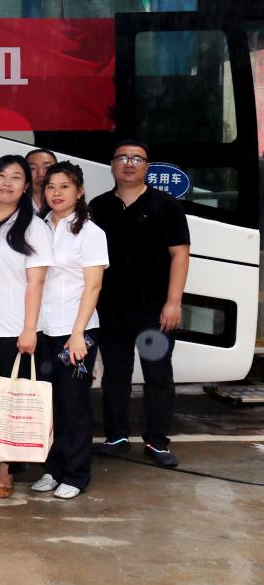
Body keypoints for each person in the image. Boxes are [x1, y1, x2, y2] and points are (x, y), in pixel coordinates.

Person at [88, 140, 189, 468]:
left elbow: (180, 255)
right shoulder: (98, 207)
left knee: (157, 374)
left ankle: (157, 441)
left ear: (147, 166)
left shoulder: (166, 205)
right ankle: (116, 437)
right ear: (112, 164)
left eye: (137, 159)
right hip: (111, 308)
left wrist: (173, 302)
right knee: (115, 374)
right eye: (122, 158)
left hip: (154, 310)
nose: (129, 163)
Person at [0, 156, 52, 498]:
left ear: (26, 186)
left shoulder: (34, 227)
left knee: (11, 403)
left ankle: (6, 470)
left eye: (16, 177)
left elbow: (36, 282)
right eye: (1, 175)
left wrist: (29, 329)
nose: (7, 183)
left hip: (15, 330)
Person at [33, 162, 109, 499]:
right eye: (51, 186)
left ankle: (76, 474)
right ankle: (52, 469)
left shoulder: (90, 233)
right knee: (48, 404)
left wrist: (78, 334)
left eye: (65, 186)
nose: (56, 193)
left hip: (76, 332)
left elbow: (93, 287)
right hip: (43, 329)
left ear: (79, 191)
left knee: (73, 403)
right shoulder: (38, 227)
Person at [25, 148, 57, 216]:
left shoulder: (67, 207)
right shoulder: (13, 206)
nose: (40, 173)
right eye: (32, 168)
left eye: (47, 167)